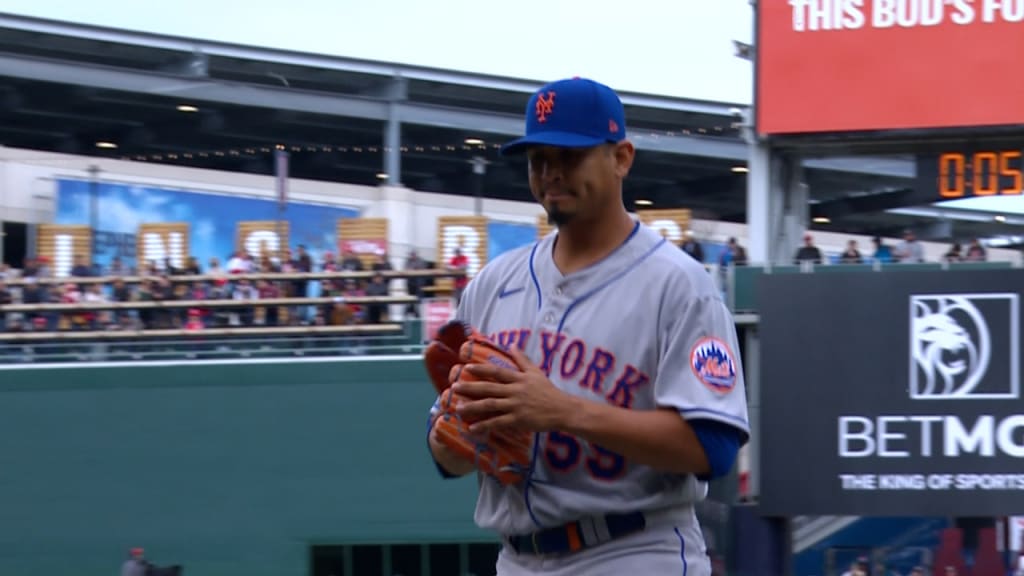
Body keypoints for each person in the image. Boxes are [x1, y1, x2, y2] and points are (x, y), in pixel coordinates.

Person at [425, 77, 750, 575]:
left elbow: (713, 448)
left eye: (568, 156)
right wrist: (456, 435)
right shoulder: (492, 284)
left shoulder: (680, 286)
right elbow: (447, 457)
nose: (551, 173)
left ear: (621, 158)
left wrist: (564, 412)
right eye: (539, 160)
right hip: (515, 556)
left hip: (633, 550)